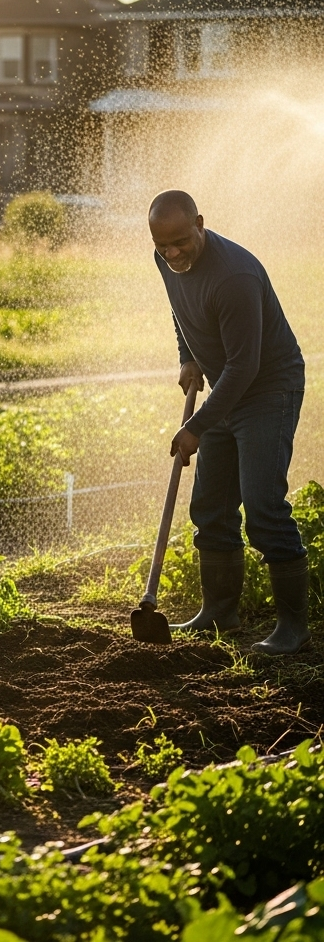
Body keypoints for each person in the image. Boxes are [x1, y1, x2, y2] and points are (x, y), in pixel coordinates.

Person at [149, 190, 307, 654]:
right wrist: (187, 357)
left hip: (266, 389)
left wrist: (196, 425)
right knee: (211, 508)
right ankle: (220, 613)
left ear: (199, 222)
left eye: (181, 241)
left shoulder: (234, 275)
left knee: (263, 507)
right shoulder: (165, 257)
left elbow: (245, 368)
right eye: (163, 246)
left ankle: (294, 629)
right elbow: (181, 312)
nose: (173, 253)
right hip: (225, 387)